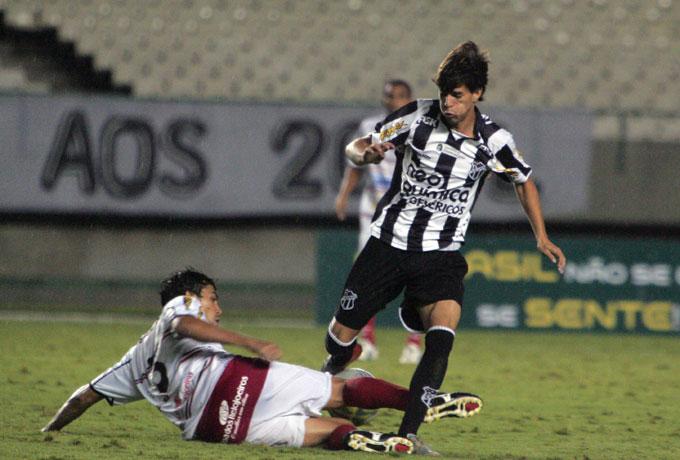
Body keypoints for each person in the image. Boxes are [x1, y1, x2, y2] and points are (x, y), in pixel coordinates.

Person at [322, 41, 566, 450]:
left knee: (441, 337)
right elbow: (357, 146)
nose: (448, 103)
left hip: (441, 255)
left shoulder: (494, 140)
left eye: (457, 96)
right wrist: (366, 156)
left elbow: (522, 179)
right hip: (387, 244)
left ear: (476, 94)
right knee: (339, 340)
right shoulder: (417, 115)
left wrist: (541, 235)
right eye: (444, 94)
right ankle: (333, 372)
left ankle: (408, 435)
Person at [41, 268, 482, 454]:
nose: (217, 307)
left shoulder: (133, 361)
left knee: (326, 432)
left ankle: (378, 442)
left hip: (216, 429)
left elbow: (84, 397)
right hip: (230, 380)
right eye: (214, 299)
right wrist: (246, 341)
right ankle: (420, 402)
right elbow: (184, 327)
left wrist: (51, 429)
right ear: (193, 295)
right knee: (341, 390)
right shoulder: (179, 306)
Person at [334, 79, 422, 365]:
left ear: (409, 99)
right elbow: (355, 165)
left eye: (398, 96)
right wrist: (343, 196)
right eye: (388, 96)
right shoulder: (372, 126)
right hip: (372, 208)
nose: (392, 101)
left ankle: (413, 342)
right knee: (368, 273)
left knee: (415, 274)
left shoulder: (420, 127)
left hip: (408, 210)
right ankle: (367, 340)